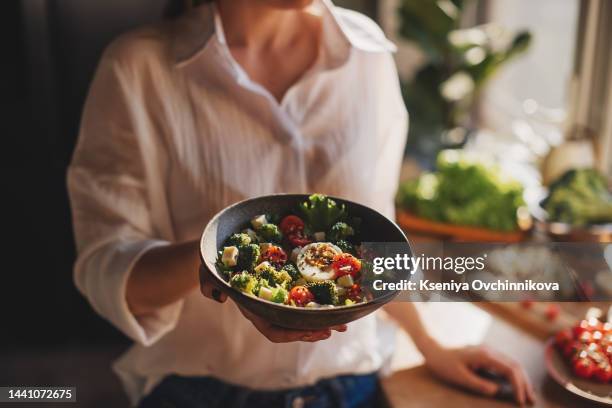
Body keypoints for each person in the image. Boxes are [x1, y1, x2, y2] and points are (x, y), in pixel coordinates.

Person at [67, 0, 535, 406]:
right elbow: (107, 269)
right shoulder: (138, 66)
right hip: (200, 392)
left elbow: (375, 237)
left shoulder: (367, 54)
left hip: (351, 388)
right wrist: (219, 264)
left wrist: (432, 344)